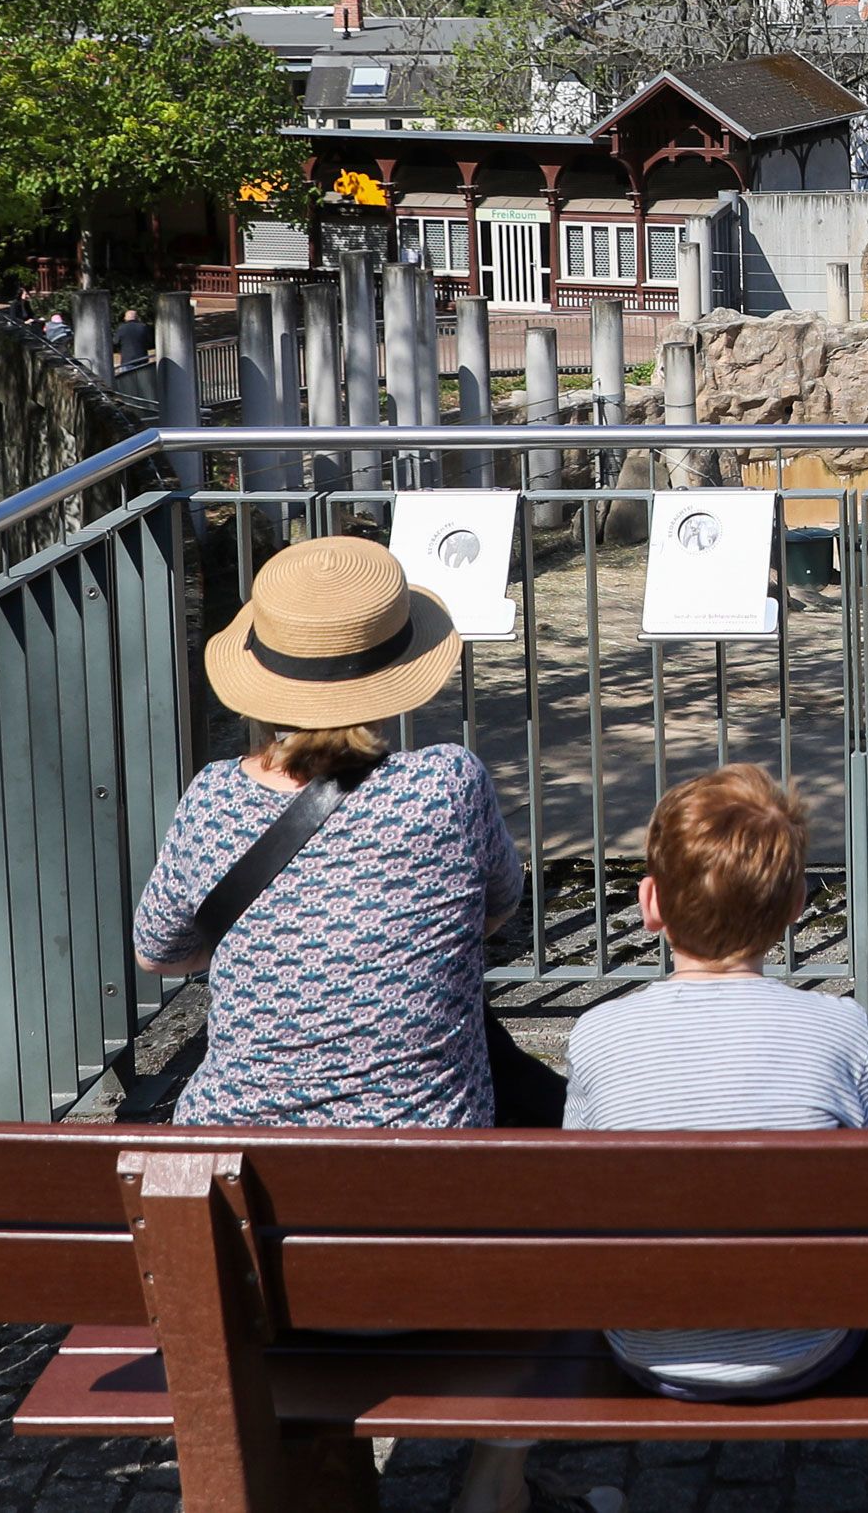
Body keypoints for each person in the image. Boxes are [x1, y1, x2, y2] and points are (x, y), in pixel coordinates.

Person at [132, 535, 600, 1513]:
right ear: (394, 675)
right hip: (435, 1245)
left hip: (253, 1251)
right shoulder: (447, 785)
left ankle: (310, 1472)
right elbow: (498, 908)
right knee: (550, 1131)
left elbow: (158, 950)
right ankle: (495, 1472)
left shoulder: (214, 800)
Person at [564, 765, 868, 1401]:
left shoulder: (599, 1034)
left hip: (645, 1344)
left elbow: (581, 1200)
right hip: (807, 1344)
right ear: (794, 907)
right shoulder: (841, 1029)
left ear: (650, 904)